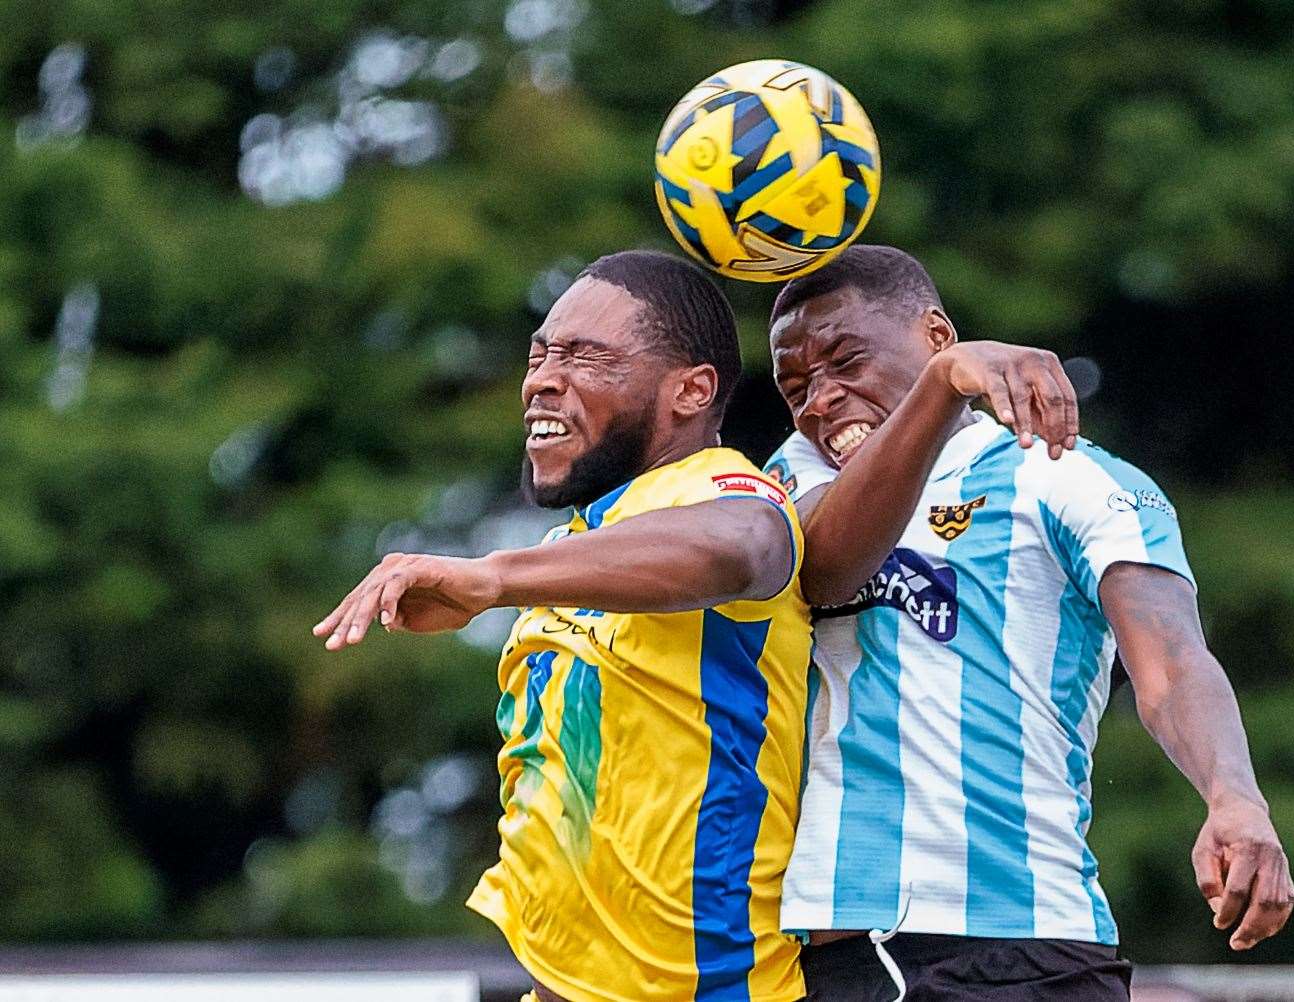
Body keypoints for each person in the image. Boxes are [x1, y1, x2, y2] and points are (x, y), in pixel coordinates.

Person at [312, 248, 1081, 1002]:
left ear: (690, 391)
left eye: (585, 357)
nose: (543, 380)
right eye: (540, 354)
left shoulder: (727, 490)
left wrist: (490, 579)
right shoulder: (573, 550)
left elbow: (747, 545)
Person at [762, 245, 1294, 1001]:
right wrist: (943, 386)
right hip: (821, 956)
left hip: (1019, 949)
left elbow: (1173, 661)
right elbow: (824, 565)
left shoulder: (1066, 474)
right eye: (795, 387)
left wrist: (1235, 797)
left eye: (845, 363)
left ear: (938, 337)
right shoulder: (785, 496)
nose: (820, 400)